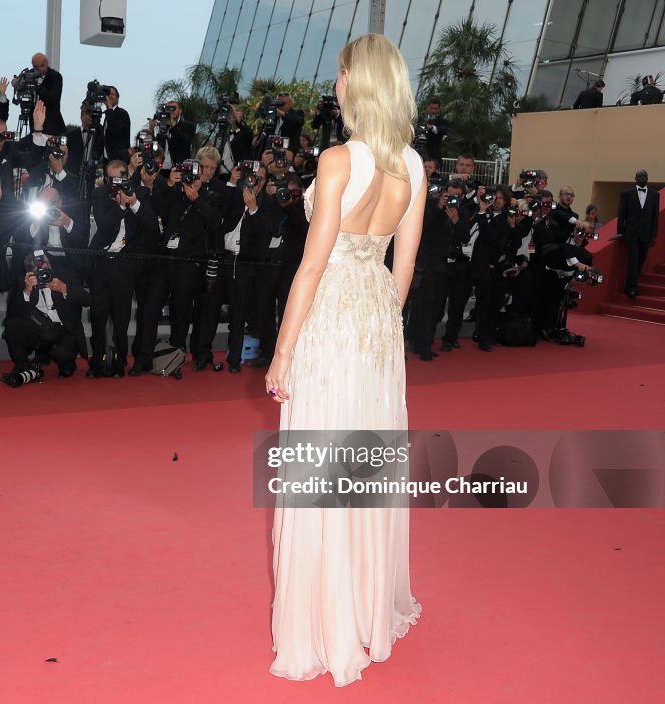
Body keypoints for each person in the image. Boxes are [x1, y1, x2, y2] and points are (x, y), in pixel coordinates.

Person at [263, 33, 425, 687]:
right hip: (378, 325)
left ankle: (325, 623)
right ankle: (364, 607)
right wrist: (382, 320)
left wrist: (281, 351)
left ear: (360, 84)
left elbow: (310, 268)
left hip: (331, 320)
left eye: (341, 72)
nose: (335, 82)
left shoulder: (337, 161)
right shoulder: (415, 165)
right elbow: (403, 263)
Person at [617, 169, 659, 298]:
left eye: (644, 176)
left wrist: (654, 235)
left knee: (640, 261)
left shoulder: (654, 194)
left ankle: (632, 285)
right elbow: (621, 215)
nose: (642, 178)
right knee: (633, 260)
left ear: (648, 178)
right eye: (640, 176)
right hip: (631, 234)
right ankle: (631, 288)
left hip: (646, 235)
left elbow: (655, 216)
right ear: (635, 178)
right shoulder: (627, 194)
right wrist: (620, 232)